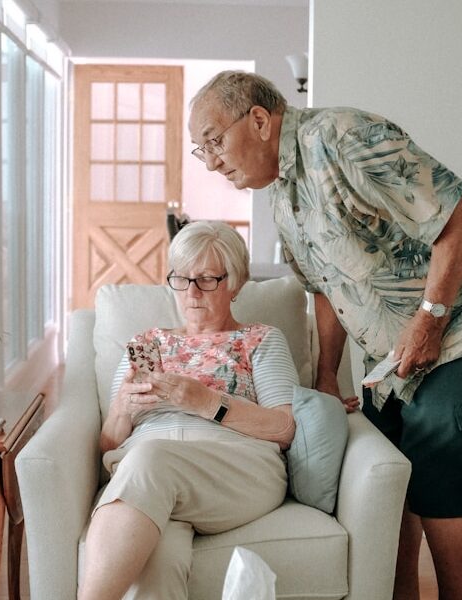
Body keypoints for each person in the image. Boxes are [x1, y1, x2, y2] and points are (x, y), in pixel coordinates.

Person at [188, 71, 462, 600]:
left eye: (213, 141)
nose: (211, 161)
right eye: (200, 150)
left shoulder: (341, 136)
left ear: (258, 119)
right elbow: (325, 289)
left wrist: (430, 319)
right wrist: (328, 372)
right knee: (395, 484)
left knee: (442, 484)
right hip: (392, 351)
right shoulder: (282, 196)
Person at [78, 220, 299, 600]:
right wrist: (122, 408)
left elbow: (285, 428)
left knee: (151, 459)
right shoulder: (147, 343)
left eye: (207, 279)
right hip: (151, 474)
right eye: (181, 278)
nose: (191, 292)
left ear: (236, 283)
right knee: (155, 562)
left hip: (236, 469)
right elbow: (109, 443)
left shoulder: (260, 339)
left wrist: (209, 403)